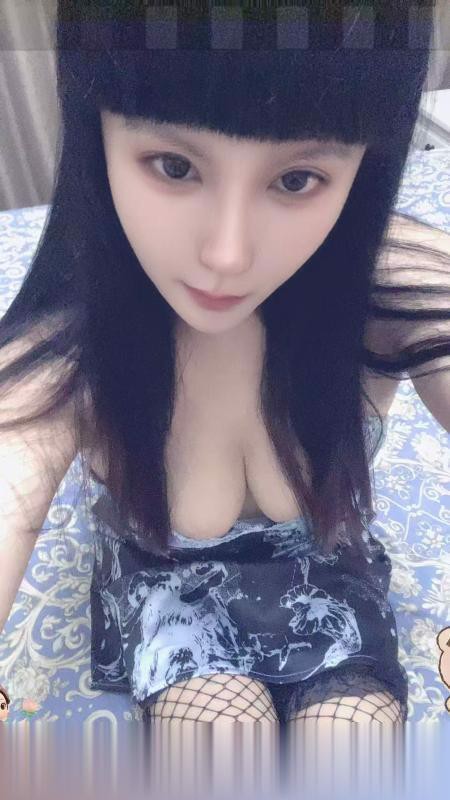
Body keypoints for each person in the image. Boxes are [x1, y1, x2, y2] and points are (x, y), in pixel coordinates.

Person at [0, 2, 449, 729]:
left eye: (298, 179)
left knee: (355, 736)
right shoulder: (76, 333)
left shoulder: (385, 280)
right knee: (220, 734)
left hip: (325, 575)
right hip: (168, 587)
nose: (228, 254)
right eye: (174, 166)